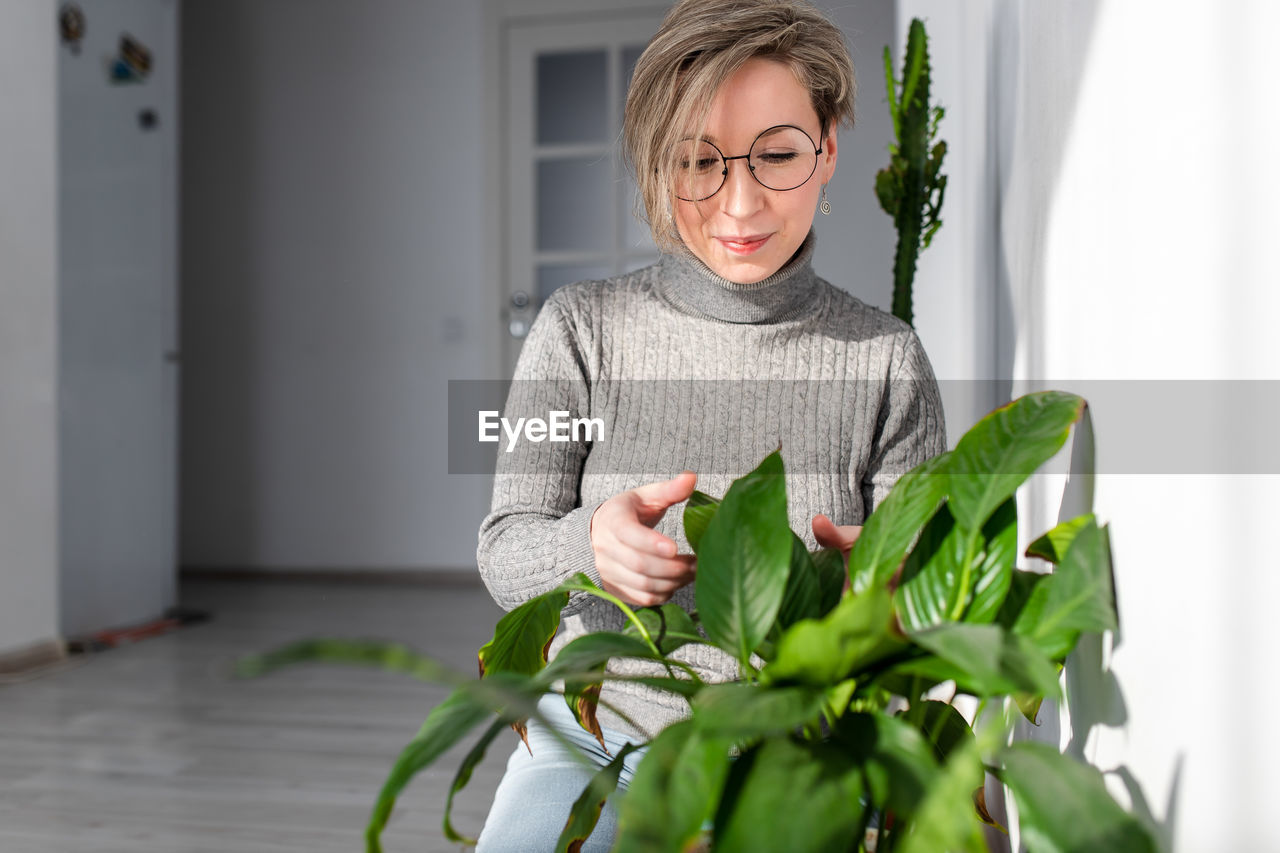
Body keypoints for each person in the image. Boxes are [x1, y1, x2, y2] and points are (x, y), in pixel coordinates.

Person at [474, 0, 946, 848]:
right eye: (698, 162)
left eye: (777, 156)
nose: (740, 203)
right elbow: (505, 545)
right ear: (661, 165)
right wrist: (593, 545)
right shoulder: (580, 329)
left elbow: (928, 594)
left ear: (828, 148)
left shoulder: (885, 358)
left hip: (803, 752)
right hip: (598, 735)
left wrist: (878, 591)